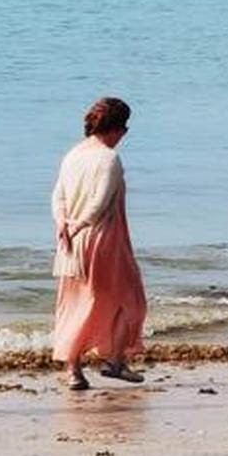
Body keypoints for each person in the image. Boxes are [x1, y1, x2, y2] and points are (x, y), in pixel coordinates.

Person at [51, 96, 148, 390]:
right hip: (102, 238)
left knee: (74, 302)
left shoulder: (72, 155)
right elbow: (100, 201)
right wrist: (80, 225)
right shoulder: (109, 158)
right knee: (131, 299)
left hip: (68, 241)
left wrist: (63, 224)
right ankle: (114, 361)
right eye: (124, 129)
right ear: (116, 128)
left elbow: (58, 197)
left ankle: (73, 370)